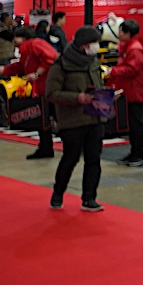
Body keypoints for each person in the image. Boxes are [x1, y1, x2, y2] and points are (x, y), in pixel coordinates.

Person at [44, 26, 108, 211]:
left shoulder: (93, 62)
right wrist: (76, 98)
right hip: (72, 120)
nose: (96, 46)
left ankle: (89, 198)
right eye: (93, 43)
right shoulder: (61, 65)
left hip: (95, 118)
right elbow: (51, 93)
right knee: (70, 158)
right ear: (83, 45)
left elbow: (98, 84)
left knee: (94, 159)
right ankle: (58, 192)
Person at [0, 24, 57, 158]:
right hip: (43, 90)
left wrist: (36, 74)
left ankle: (58, 147)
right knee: (43, 119)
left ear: (24, 37)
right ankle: (45, 148)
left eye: (16, 36)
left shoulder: (35, 44)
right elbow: (13, 69)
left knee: (52, 118)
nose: (13, 40)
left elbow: (51, 59)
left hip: (51, 88)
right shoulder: (26, 52)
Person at [104, 19, 143, 165]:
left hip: (136, 91)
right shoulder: (127, 47)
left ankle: (139, 154)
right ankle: (134, 152)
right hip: (129, 91)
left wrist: (113, 71)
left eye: (121, 31)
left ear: (128, 33)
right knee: (132, 124)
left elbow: (132, 69)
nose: (118, 34)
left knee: (136, 124)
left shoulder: (135, 49)